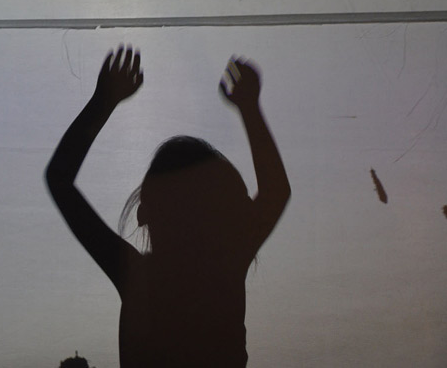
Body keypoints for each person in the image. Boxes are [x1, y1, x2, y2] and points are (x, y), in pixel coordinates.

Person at [45, 46, 290, 367]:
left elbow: (59, 181)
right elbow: (276, 193)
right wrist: (250, 109)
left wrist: (102, 103)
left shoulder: (136, 275)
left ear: (143, 213)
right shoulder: (224, 269)